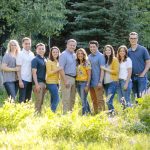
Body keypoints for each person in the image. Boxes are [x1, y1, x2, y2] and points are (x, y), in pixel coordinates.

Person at [128, 32, 150, 98]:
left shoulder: (143, 49)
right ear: (129, 39)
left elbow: (148, 63)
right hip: (132, 77)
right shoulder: (128, 51)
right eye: (131, 38)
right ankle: (137, 108)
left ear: (137, 39)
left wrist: (143, 73)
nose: (133, 40)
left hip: (142, 77)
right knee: (136, 97)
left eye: (135, 38)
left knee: (142, 97)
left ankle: (143, 108)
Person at [59, 39, 77, 114]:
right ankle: (65, 115)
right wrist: (65, 80)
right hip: (66, 78)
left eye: (74, 45)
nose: (72, 46)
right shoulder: (63, 54)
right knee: (66, 98)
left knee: (72, 98)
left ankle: (70, 114)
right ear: (67, 45)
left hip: (74, 78)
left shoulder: (74, 55)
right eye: (71, 45)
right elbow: (61, 68)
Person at [88, 40, 105, 114]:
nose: (92, 48)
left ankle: (102, 115)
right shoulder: (88, 56)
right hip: (90, 82)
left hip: (98, 82)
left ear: (97, 47)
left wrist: (100, 81)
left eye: (94, 47)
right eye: (91, 47)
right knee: (93, 99)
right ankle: (96, 114)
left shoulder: (101, 56)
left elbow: (102, 69)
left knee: (100, 100)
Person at [101, 45, 119, 113]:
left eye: (109, 50)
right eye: (106, 50)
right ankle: (111, 114)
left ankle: (113, 114)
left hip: (112, 82)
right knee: (108, 100)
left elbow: (116, 72)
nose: (107, 51)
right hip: (105, 84)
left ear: (111, 51)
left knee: (108, 100)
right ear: (104, 51)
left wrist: (105, 68)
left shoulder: (114, 59)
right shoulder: (104, 60)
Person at [16, 37, 34, 103]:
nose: (28, 45)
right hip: (23, 79)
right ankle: (20, 112)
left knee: (28, 99)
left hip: (30, 80)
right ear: (22, 44)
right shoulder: (20, 54)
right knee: (22, 99)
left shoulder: (32, 54)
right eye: (26, 43)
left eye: (29, 43)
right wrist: (20, 81)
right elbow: (18, 68)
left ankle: (27, 113)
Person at [46, 46, 62, 112]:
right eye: (54, 52)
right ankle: (52, 113)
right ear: (51, 53)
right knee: (57, 99)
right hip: (50, 82)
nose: (55, 53)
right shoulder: (49, 62)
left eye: (57, 52)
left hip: (56, 82)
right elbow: (49, 73)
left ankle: (51, 113)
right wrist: (58, 69)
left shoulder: (57, 62)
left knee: (53, 99)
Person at [32, 43, 46, 113]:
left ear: (45, 50)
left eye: (42, 49)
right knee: (38, 100)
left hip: (44, 83)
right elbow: (34, 73)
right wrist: (36, 84)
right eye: (39, 49)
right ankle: (36, 115)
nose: (41, 50)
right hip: (38, 82)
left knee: (42, 101)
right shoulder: (35, 59)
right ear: (36, 50)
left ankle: (39, 114)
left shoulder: (44, 59)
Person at [76, 48, 91, 115]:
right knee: (83, 99)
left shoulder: (86, 62)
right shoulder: (77, 62)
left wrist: (87, 85)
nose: (80, 55)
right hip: (77, 83)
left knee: (83, 100)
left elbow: (89, 75)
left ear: (84, 54)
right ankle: (89, 112)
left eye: (81, 53)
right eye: (78, 53)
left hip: (84, 83)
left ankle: (84, 114)